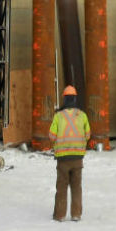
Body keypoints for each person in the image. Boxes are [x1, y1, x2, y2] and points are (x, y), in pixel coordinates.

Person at [48, 84, 91, 222]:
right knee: (76, 187)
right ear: (75, 99)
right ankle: (76, 214)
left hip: (62, 159)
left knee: (61, 187)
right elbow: (88, 134)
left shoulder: (58, 116)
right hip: (78, 158)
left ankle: (59, 215)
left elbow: (52, 136)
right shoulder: (82, 115)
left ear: (64, 99)